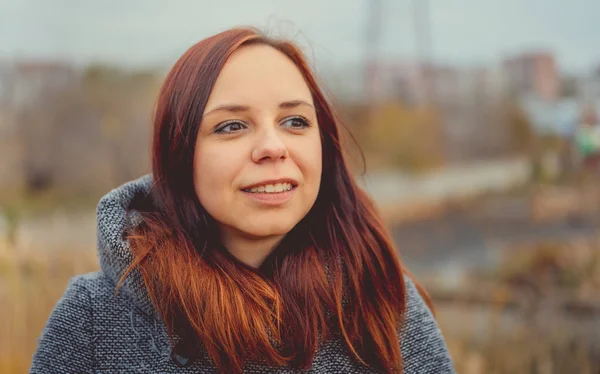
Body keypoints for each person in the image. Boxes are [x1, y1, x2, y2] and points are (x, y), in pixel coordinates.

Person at [30, 27, 455, 374]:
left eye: (295, 121)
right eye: (232, 126)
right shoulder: (93, 319)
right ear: (179, 155)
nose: (273, 147)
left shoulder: (381, 299)